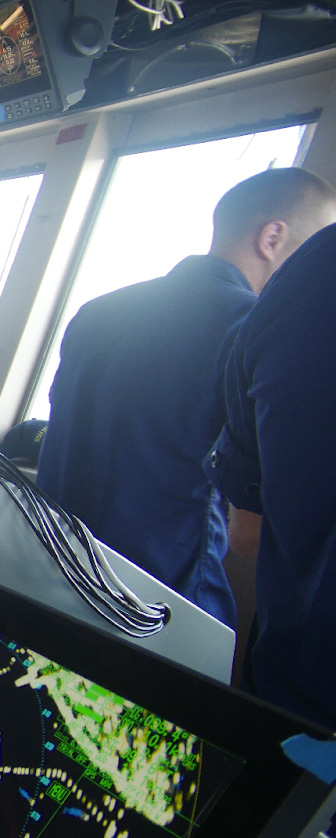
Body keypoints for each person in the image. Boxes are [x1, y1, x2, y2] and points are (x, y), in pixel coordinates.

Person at [37, 168, 336, 630]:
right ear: (273, 237)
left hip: (47, 569)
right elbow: (253, 530)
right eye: (311, 249)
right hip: (157, 596)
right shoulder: (253, 328)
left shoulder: (100, 311)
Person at [209, 217, 336, 732]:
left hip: (297, 710)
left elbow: (250, 534)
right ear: (271, 235)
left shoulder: (308, 279)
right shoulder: (232, 311)